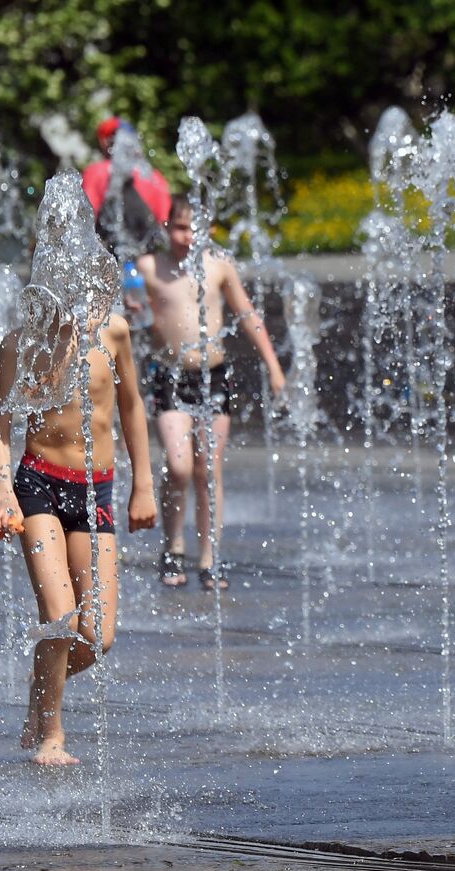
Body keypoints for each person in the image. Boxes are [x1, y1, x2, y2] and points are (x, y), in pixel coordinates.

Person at [0, 297, 157, 766]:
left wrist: (143, 484)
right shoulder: (19, 344)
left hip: (94, 491)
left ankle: (41, 690)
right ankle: (52, 735)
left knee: (96, 638)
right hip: (37, 485)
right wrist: (5, 497)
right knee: (60, 616)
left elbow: (132, 406)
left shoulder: (114, 332)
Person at [137, 199, 286, 590]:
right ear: (167, 226)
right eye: (179, 229)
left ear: (209, 231)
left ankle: (209, 557)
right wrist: (132, 308)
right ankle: (173, 546)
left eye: (194, 230)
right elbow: (124, 315)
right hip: (167, 375)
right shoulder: (149, 268)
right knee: (180, 464)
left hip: (214, 376)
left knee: (208, 471)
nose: (186, 238)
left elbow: (247, 314)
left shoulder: (219, 268)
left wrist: (272, 364)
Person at [82, 117, 172, 252]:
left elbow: (84, 220)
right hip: (149, 258)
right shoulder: (155, 177)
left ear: (105, 142)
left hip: (113, 256)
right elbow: (165, 223)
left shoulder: (96, 172)